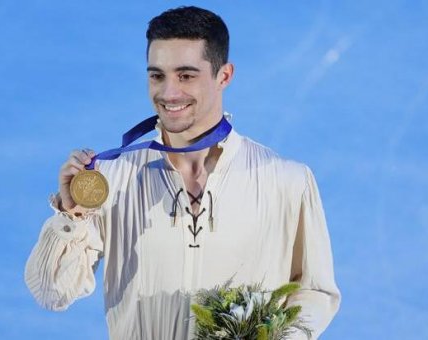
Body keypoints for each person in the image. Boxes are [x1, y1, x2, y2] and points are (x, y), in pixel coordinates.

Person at [25, 6, 340, 340]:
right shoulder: (112, 178)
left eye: (186, 75)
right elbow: (51, 292)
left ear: (224, 76)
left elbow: (316, 292)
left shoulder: (286, 182)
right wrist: (72, 214)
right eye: (157, 75)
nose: (169, 93)